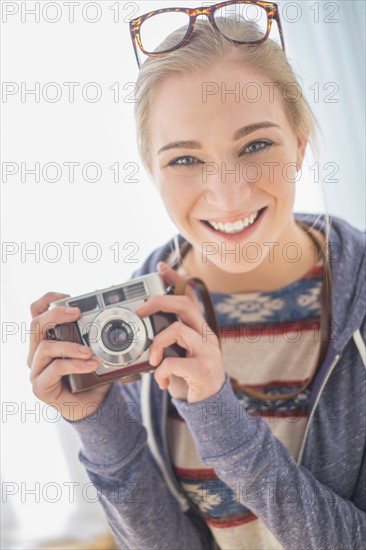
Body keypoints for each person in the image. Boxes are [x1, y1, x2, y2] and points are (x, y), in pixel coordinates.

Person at [27, 3, 366, 549]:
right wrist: (98, 423)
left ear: (300, 144)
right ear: (151, 170)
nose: (227, 194)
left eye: (256, 145)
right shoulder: (136, 323)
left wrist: (217, 415)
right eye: (185, 159)